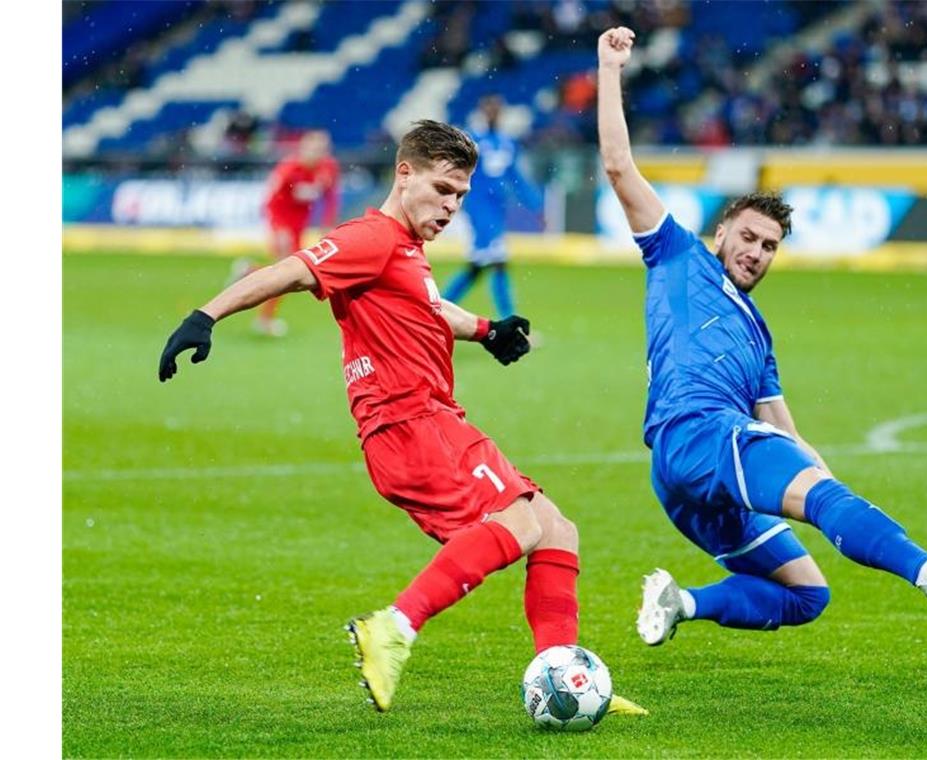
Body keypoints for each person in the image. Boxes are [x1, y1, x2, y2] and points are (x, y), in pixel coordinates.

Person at [158, 120, 645, 718]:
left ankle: (563, 675)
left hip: (432, 419)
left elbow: (430, 307)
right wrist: (205, 315)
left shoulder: (405, 251)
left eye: (461, 196)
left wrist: (487, 331)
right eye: (443, 190)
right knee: (520, 526)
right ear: (405, 174)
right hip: (409, 422)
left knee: (556, 528)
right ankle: (393, 626)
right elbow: (291, 269)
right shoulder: (372, 238)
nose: (452, 207)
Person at [595, 27, 927, 646]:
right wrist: (611, 69)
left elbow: (784, 430)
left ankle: (680, 602)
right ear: (721, 232)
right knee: (819, 501)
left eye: (769, 246)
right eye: (747, 237)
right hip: (701, 433)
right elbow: (617, 164)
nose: (756, 252)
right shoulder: (676, 254)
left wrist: (825, 482)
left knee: (806, 594)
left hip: (682, 473)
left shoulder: (758, 337)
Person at [441, 96, 544, 320]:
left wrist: (536, 205)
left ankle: (434, 310)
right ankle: (510, 322)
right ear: (482, 112)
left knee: (476, 268)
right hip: (478, 208)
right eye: (489, 110)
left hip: (497, 209)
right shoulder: (470, 141)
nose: (493, 114)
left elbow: (516, 177)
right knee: (498, 262)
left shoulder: (508, 142)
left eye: (496, 110)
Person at [242, 129, 341, 337]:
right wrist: (279, 230)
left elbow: (330, 197)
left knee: (284, 273)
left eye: (322, 148)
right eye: (314, 148)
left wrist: (327, 224)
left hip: (299, 227)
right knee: (286, 274)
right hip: (283, 226)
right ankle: (265, 319)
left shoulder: (328, 168)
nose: (318, 153)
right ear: (303, 148)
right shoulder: (288, 169)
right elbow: (269, 200)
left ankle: (249, 273)